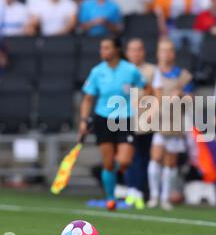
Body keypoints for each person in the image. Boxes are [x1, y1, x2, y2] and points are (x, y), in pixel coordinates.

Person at [78, 37, 146, 211]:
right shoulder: (97, 71)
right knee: (108, 163)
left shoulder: (130, 70)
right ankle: (110, 199)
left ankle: (112, 178)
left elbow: (146, 88)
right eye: (102, 48)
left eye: (107, 48)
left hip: (126, 118)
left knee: (124, 160)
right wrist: (84, 120)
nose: (103, 51)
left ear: (116, 49)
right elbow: (87, 98)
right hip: (103, 119)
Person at [147, 38, 194, 211]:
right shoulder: (153, 73)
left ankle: (165, 197)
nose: (166, 54)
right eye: (163, 50)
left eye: (169, 50)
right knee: (156, 158)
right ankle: (153, 196)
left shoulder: (182, 75)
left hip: (175, 122)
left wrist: (181, 94)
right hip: (159, 120)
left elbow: (191, 99)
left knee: (170, 162)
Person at [124, 38, 157, 209]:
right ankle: (132, 190)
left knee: (144, 158)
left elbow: (157, 94)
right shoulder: (122, 71)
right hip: (126, 121)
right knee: (129, 158)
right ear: (127, 52)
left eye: (139, 49)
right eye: (132, 49)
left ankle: (141, 191)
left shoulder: (151, 70)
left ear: (143, 51)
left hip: (146, 122)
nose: (136, 53)